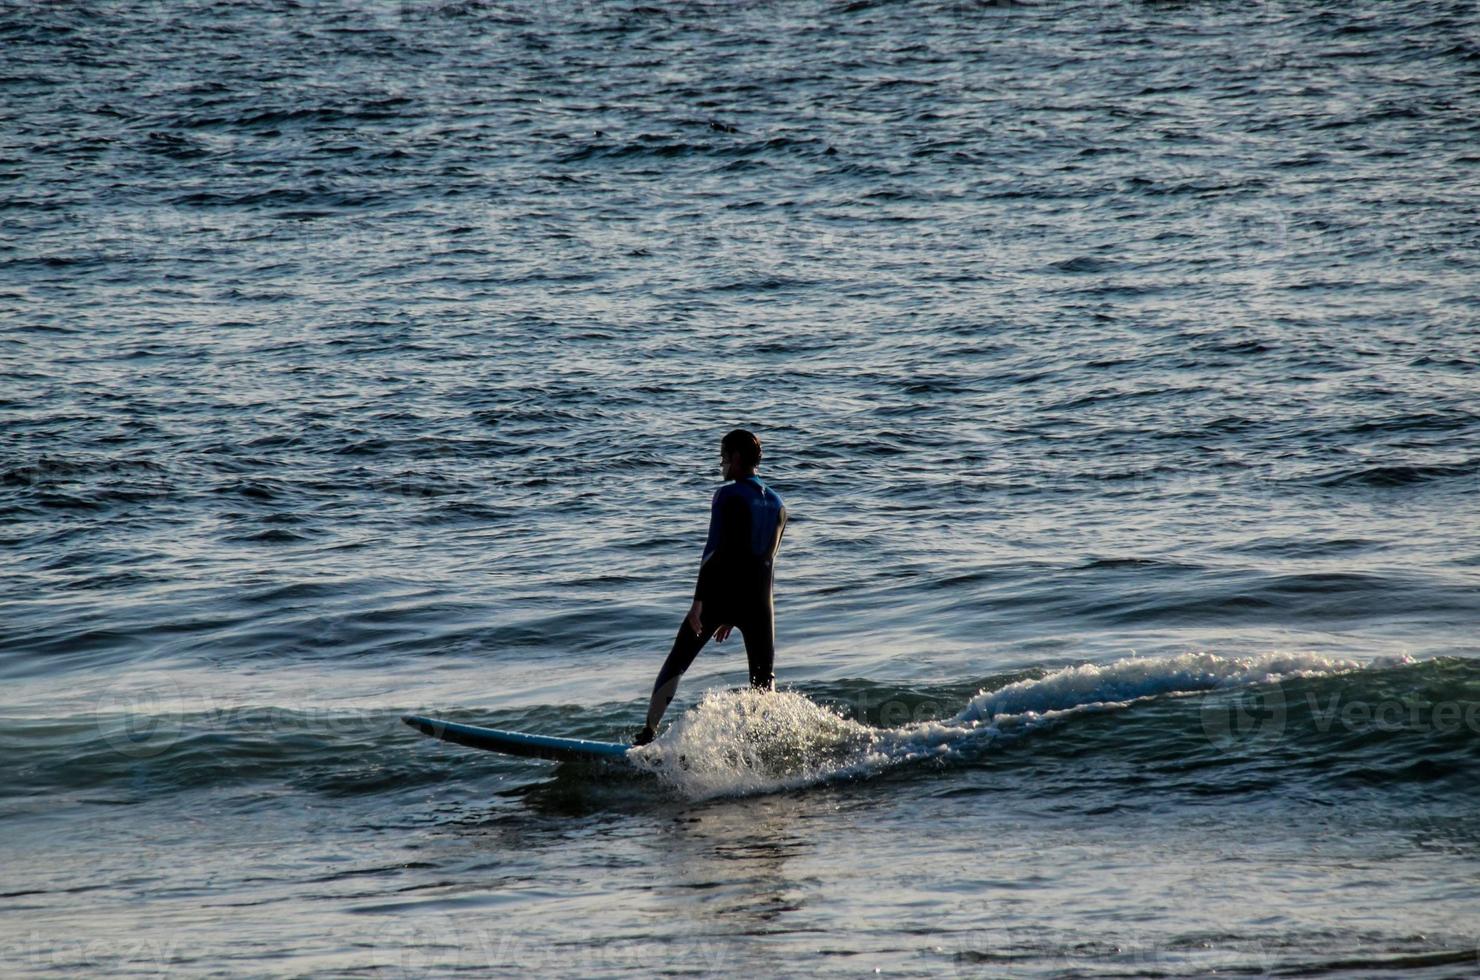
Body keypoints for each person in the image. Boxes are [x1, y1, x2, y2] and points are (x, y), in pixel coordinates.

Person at [633, 429, 787, 746]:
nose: (721, 464)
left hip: (719, 597)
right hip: (760, 604)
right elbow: (765, 562)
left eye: (723, 457)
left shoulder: (727, 495)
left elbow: (713, 551)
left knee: (677, 662)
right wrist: (740, 613)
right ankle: (766, 745)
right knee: (763, 679)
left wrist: (698, 603)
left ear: (736, 459)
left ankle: (647, 735)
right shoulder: (778, 504)